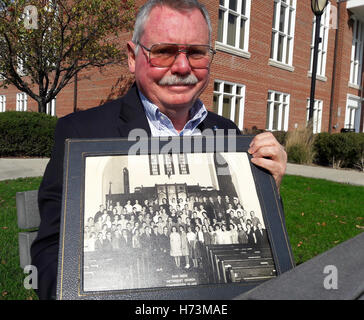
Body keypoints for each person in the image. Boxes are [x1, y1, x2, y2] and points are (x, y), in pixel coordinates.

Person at [31, 0, 287, 299]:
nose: (182, 67)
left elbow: (270, 254)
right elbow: (50, 253)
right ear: (132, 56)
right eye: (163, 52)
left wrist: (268, 191)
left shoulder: (228, 133)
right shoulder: (80, 133)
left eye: (196, 53)